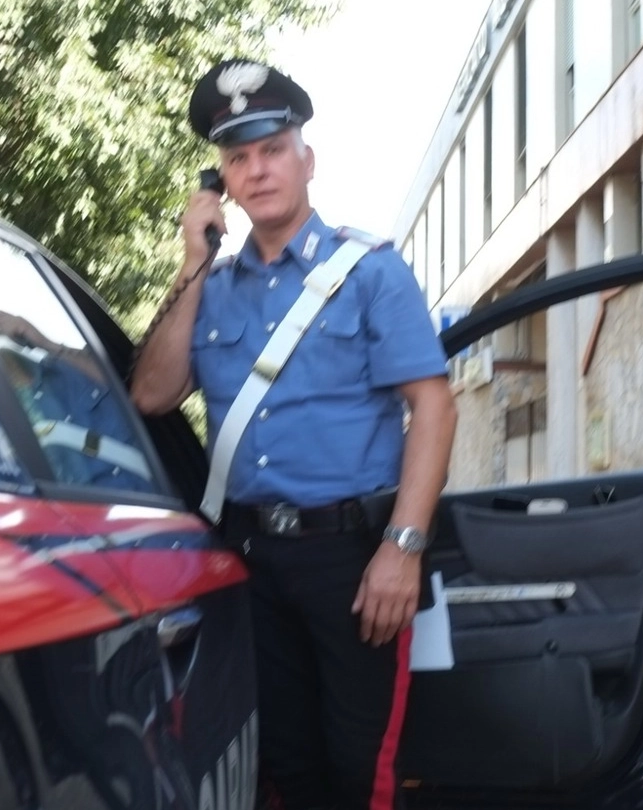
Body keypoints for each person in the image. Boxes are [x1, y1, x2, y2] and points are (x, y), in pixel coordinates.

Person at [130, 58, 457, 810]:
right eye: (237, 158)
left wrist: (400, 550)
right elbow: (151, 393)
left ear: (306, 161)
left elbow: (434, 408)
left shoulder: (369, 270)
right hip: (249, 555)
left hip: (351, 558)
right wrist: (191, 262)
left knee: (357, 766)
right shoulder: (209, 287)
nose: (257, 170)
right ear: (221, 182)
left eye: (272, 149)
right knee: (283, 760)